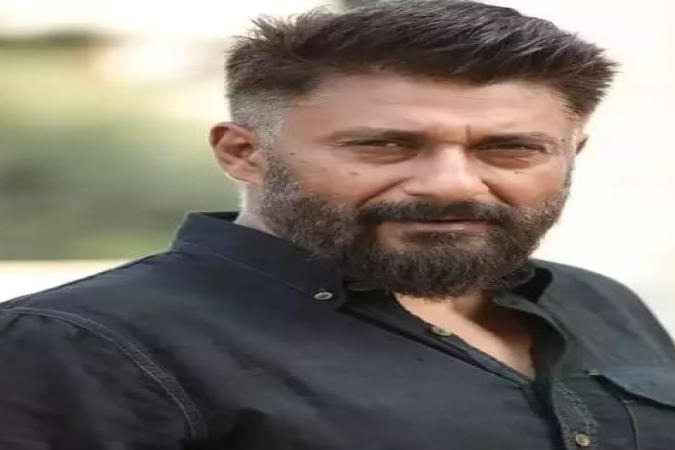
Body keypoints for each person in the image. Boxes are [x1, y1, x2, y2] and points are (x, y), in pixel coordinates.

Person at [1, 1, 674, 449]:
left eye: (510, 149)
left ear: (571, 154)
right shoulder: (78, 345)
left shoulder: (597, 301)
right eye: (385, 145)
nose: (451, 183)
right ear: (243, 153)